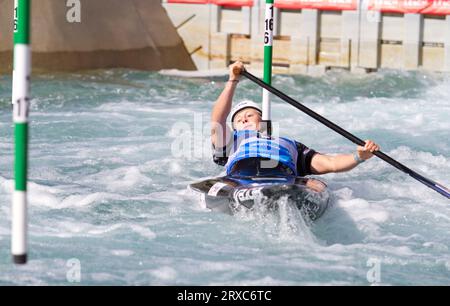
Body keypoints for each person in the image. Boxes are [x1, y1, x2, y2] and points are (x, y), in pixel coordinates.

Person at [211, 61, 380, 177]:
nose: (244, 119)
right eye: (238, 120)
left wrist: (359, 156)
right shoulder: (230, 143)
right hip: (241, 174)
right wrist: (232, 80)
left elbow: (330, 163)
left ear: (263, 121)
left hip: (283, 176)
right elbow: (218, 120)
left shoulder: (290, 145)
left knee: (314, 184)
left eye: (249, 115)